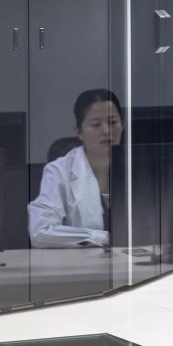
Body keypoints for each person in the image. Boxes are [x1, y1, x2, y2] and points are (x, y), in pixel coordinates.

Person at [28, 89, 123, 248]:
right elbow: (40, 232)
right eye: (96, 124)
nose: (107, 130)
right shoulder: (59, 171)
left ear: (123, 125)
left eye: (113, 122)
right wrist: (100, 237)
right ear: (79, 132)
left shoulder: (142, 168)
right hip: (79, 266)